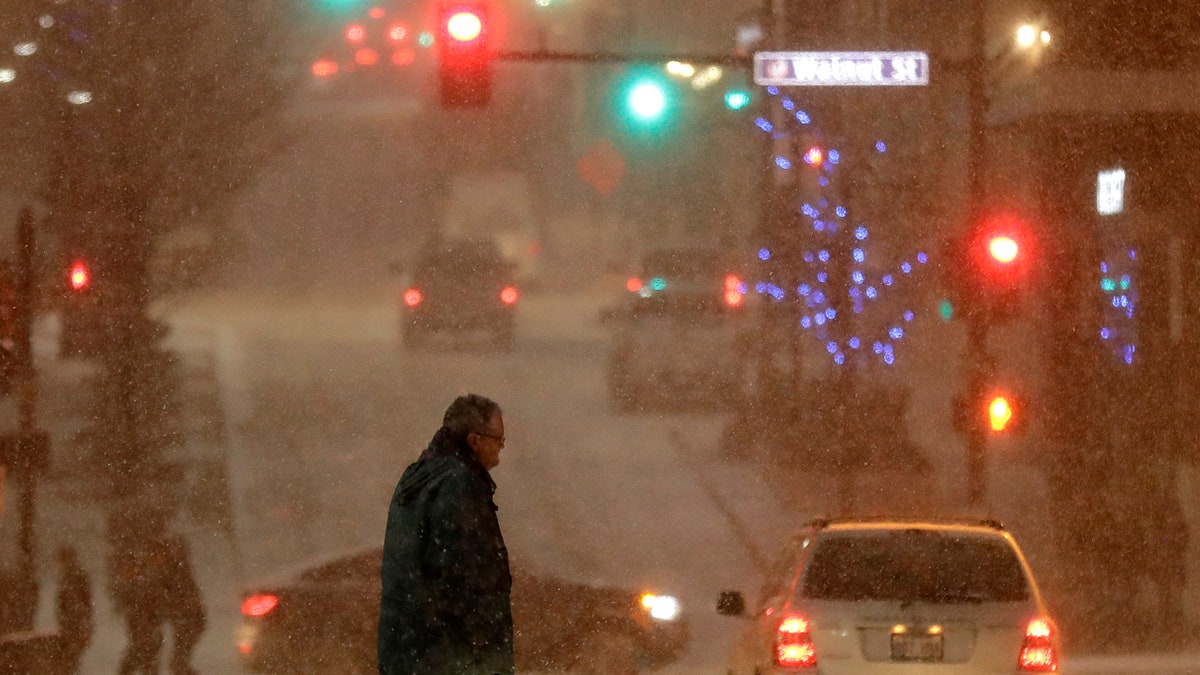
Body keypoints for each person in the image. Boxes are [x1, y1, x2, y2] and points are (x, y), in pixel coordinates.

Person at [378, 394, 514, 675]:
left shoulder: (418, 477)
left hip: (407, 652)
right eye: (498, 440)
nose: (500, 452)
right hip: (448, 660)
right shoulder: (459, 484)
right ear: (475, 440)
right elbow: (464, 580)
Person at [162, 534, 206, 675]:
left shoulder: (180, 565)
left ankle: (180, 665)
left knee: (186, 636)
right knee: (184, 637)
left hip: (186, 608)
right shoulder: (174, 566)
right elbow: (173, 588)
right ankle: (179, 665)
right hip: (183, 609)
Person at [56, 545, 94, 674]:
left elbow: (86, 602)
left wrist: (85, 625)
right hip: (70, 624)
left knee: (71, 657)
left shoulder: (78, 577)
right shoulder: (65, 577)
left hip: (76, 623)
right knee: (69, 657)